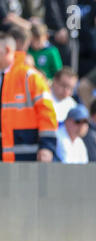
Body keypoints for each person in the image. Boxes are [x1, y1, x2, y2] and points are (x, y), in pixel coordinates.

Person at [0, 31, 57, 162]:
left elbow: (47, 114)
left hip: (27, 157)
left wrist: (47, 147)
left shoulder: (30, 77)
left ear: (7, 50)